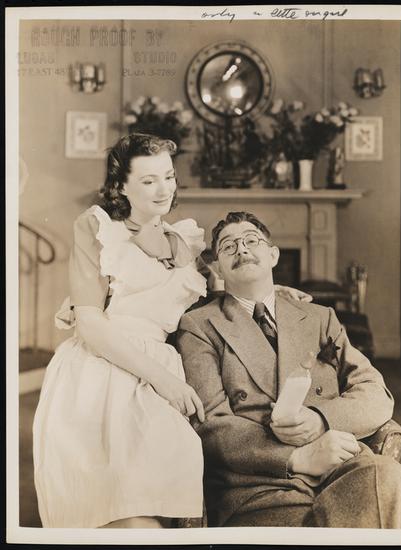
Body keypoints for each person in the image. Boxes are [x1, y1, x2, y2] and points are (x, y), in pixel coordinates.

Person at [32, 135, 309, 529]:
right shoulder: (98, 227)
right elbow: (90, 324)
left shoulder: (183, 241)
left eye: (168, 176)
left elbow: (218, 292)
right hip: (102, 370)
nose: (163, 189)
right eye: (148, 181)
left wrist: (273, 290)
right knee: (120, 509)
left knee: (170, 484)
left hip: (162, 367)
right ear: (121, 185)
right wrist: (164, 381)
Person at [176, 211, 401, 529]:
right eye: (228, 246)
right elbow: (211, 424)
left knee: (387, 476)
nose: (241, 249)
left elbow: (375, 392)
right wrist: (297, 457)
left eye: (251, 240)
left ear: (273, 255)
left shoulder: (319, 317)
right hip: (260, 486)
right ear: (218, 268)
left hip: (338, 469)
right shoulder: (200, 325)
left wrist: (321, 420)